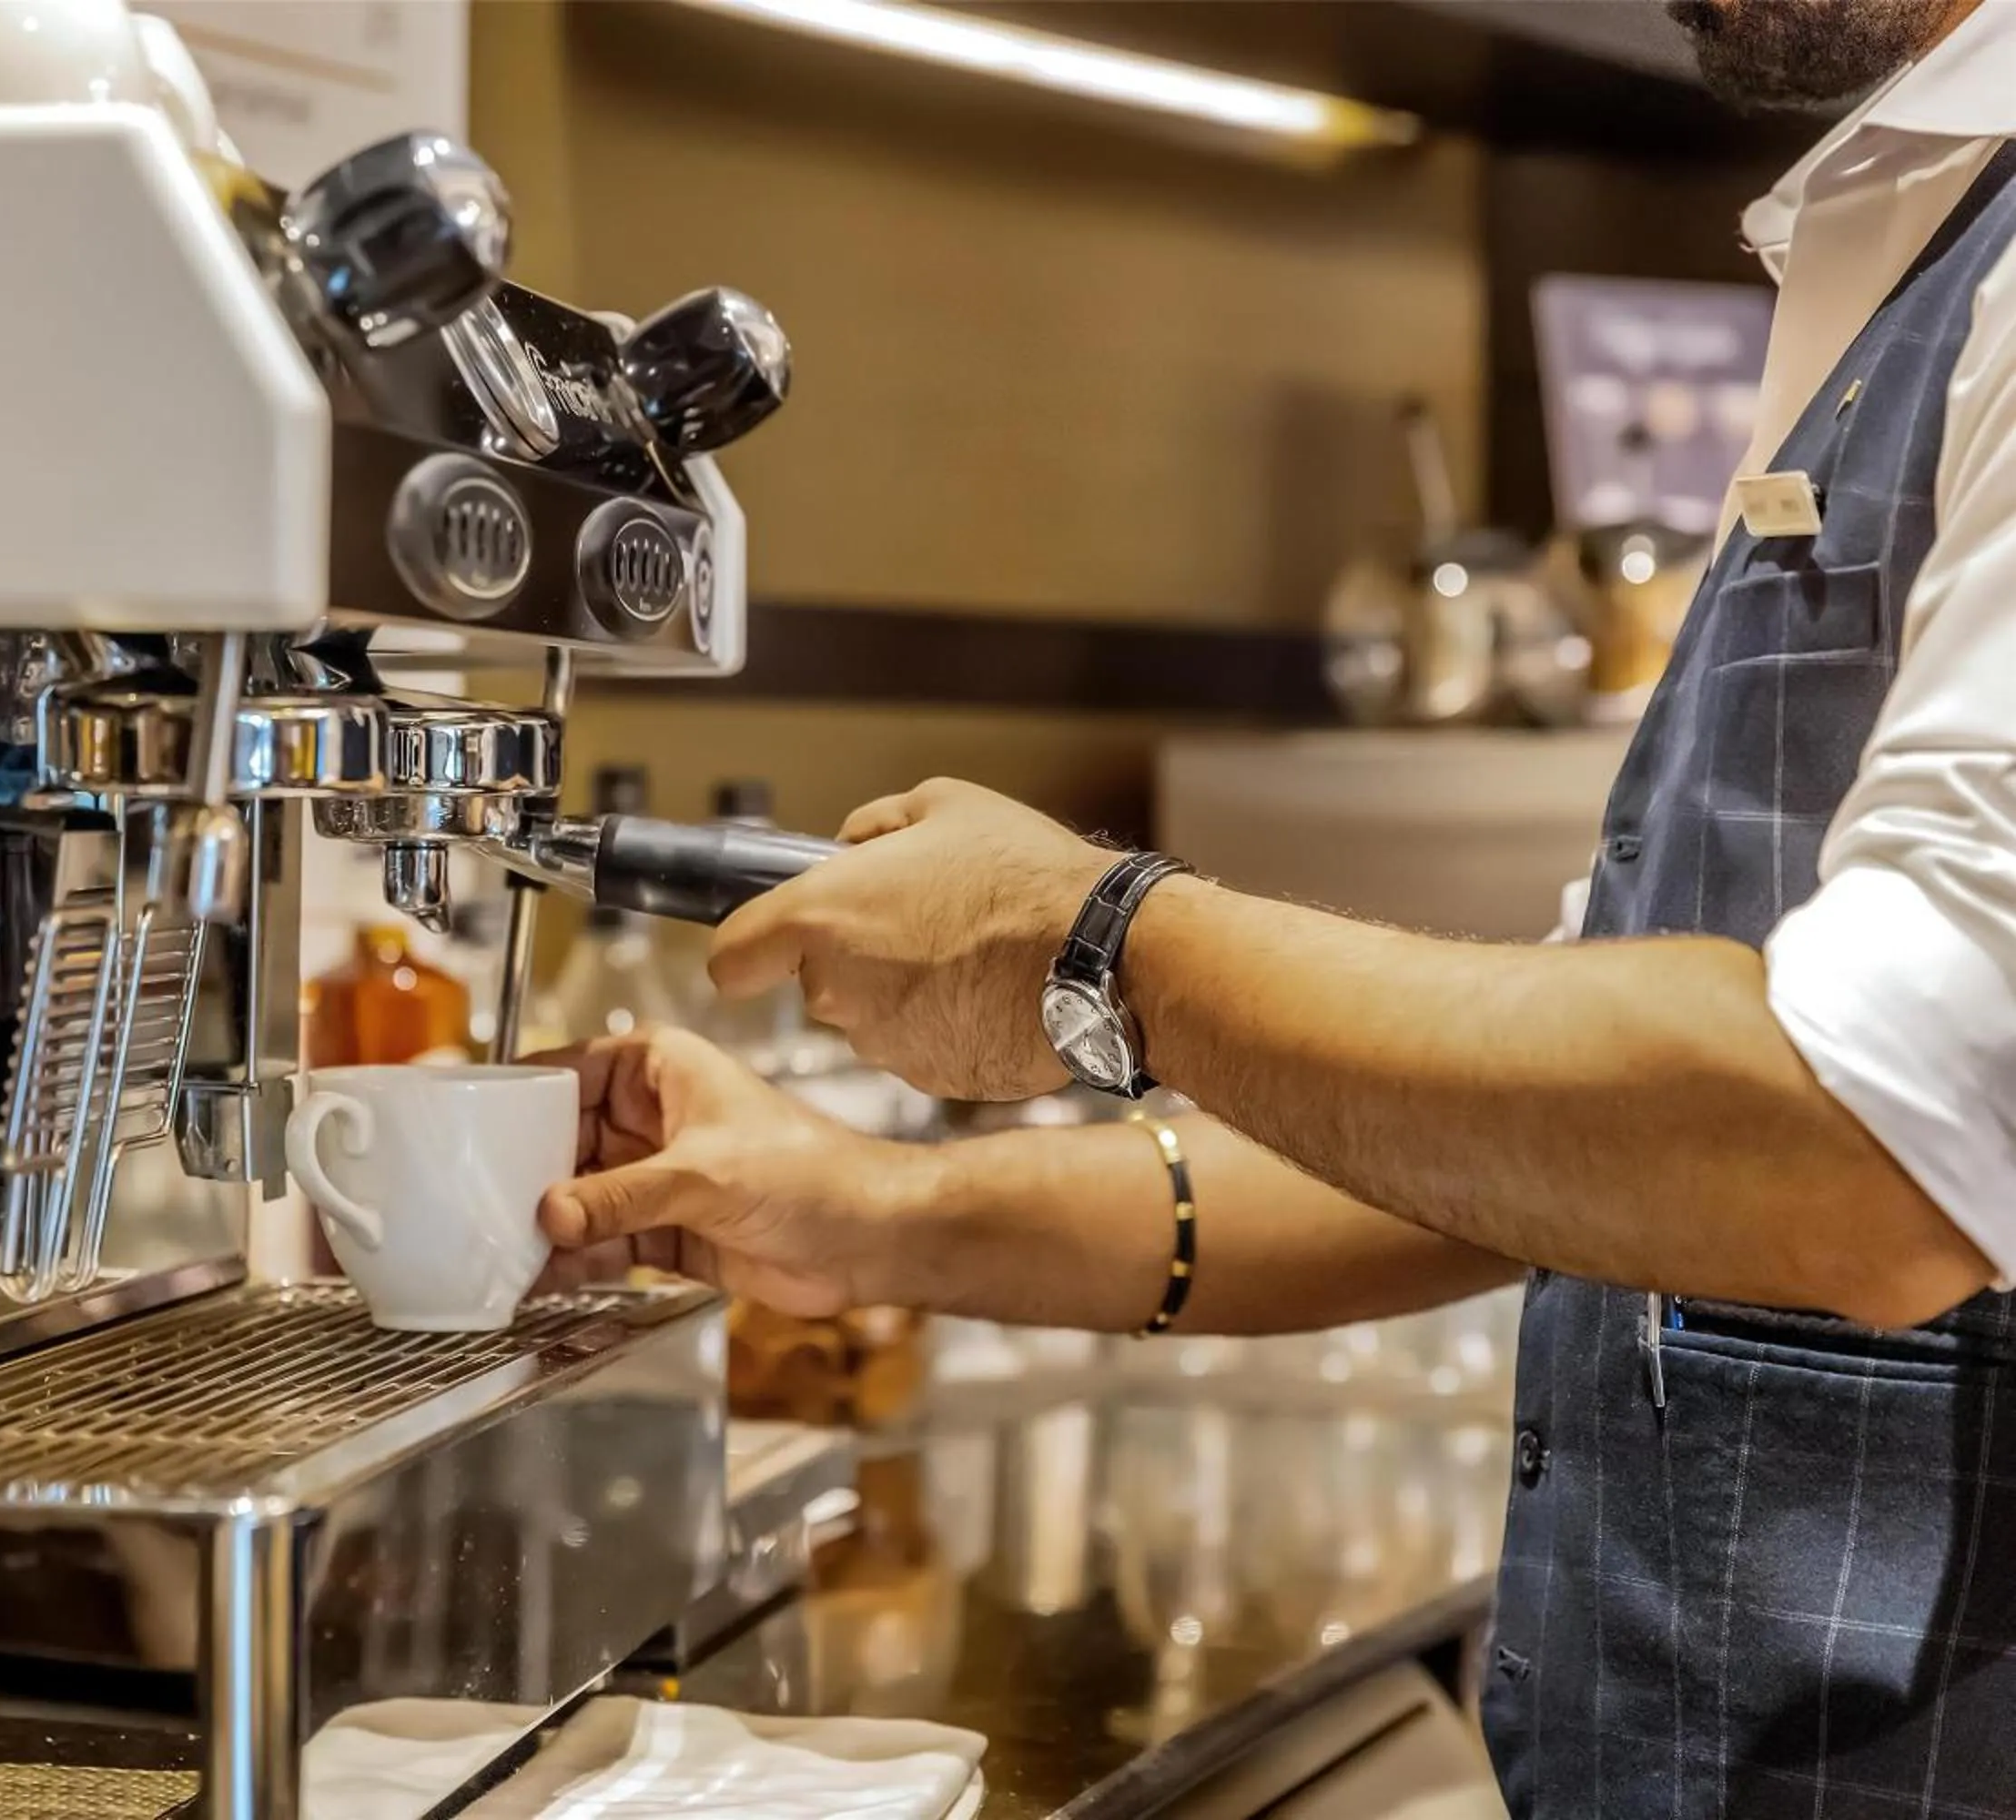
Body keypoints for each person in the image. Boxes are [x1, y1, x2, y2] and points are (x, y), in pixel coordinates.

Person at [532, 3, 2016, 1815]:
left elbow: (1856, 1134)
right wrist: (874, 1215)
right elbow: (1565, 1119)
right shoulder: (1908, 223)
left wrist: (1096, 936)